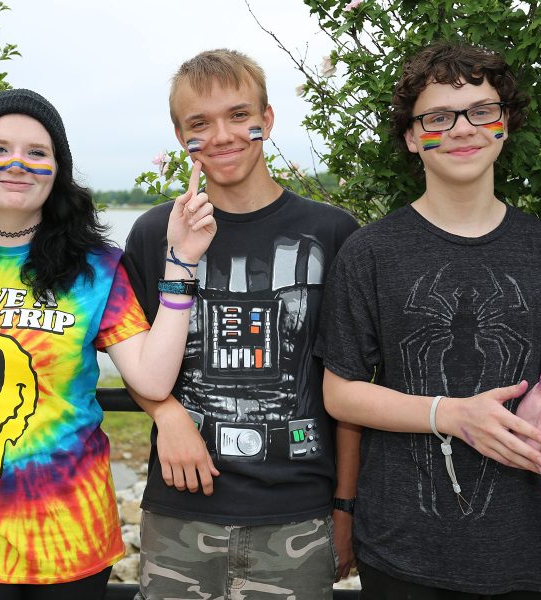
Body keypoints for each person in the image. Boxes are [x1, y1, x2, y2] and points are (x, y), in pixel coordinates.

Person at [320, 41, 541, 598]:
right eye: (437, 117)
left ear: (504, 124)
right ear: (411, 137)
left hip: (523, 546)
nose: (462, 129)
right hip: (401, 550)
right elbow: (341, 393)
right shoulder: (370, 251)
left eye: (481, 111)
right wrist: (451, 415)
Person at [0, 88, 215, 599]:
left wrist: (181, 262)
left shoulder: (95, 267)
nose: (16, 164)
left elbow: (152, 378)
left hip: (68, 538)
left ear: (58, 170)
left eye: (37, 152)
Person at [122, 49, 361, 599]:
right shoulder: (154, 233)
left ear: (267, 119)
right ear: (181, 134)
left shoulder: (332, 233)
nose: (223, 135)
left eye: (238, 115)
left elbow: (347, 382)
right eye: (199, 123)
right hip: (179, 513)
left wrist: (345, 506)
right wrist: (166, 414)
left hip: (298, 514)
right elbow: (133, 357)